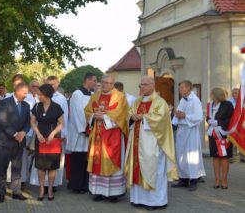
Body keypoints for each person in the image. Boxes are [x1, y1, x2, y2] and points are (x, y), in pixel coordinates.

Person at [125, 76, 178, 210]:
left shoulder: (160, 102)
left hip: (153, 142)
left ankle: (155, 202)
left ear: (152, 85)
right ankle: (138, 199)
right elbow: (129, 114)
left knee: (154, 170)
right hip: (137, 142)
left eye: (144, 85)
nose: (141, 87)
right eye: (140, 85)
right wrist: (132, 117)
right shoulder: (137, 101)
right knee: (138, 169)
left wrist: (143, 117)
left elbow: (161, 120)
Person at [84, 74, 128, 203]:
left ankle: (115, 193)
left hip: (112, 135)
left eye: (107, 83)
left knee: (111, 161)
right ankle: (98, 191)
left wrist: (104, 117)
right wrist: (93, 115)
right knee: (97, 161)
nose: (104, 85)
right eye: (102, 82)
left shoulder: (120, 97)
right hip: (97, 133)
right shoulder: (95, 96)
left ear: (112, 84)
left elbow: (121, 114)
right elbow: (87, 110)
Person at [0, 83, 30, 203]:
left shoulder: (26, 105)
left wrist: (24, 132)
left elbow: (28, 122)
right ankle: (1, 193)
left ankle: (16, 192)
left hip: (19, 142)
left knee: (17, 168)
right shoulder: (5, 102)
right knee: (2, 169)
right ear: (18, 91)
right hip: (4, 142)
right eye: (25, 93)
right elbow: (2, 120)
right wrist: (15, 134)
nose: (26, 95)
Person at [30, 84, 64, 201]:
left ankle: (50, 189)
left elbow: (61, 123)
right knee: (41, 166)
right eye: (38, 94)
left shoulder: (57, 107)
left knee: (52, 166)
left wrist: (53, 133)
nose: (39, 97)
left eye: (41, 95)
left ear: (48, 95)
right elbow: (33, 122)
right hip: (40, 139)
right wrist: (38, 134)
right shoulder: (37, 106)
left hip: (53, 139)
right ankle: (41, 190)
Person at [172, 80, 206, 191]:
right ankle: (183, 179)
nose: (180, 89)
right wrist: (174, 121)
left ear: (188, 88)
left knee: (191, 155)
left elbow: (198, 118)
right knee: (181, 154)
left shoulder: (195, 101)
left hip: (191, 131)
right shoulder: (183, 99)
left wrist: (184, 115)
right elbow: (178, 113)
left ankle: (193, 180)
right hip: (182, 131)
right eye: (179, 87)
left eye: (182, 87)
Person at [67, 72, 97, 193]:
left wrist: (93, 127)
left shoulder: (93, 94)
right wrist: (84, 129)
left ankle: (85, 184)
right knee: (78, 159)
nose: (95, 83)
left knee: (86, 160)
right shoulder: (77, 94)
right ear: (87, 80)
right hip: (80, 132)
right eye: (94, 80)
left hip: (90, 131)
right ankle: (75, 185)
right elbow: (77, 113)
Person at [207, 88, 234, 189]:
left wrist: (219, 123)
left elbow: (231, 120)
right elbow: (208, 117)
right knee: (215, 156)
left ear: (216, 95)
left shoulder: (227, 105)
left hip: (223, 134)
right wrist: (209, 121)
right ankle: (217, 180)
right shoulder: (210, 104)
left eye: (212, 94)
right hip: (212, 134)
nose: (211, 95)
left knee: (224, 157)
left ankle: (224, 180)